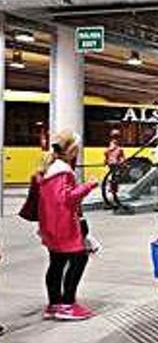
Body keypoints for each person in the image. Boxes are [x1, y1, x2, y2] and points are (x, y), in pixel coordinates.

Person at [37, 131, 98, 320]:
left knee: (57, 262)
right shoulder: (62, 170)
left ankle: (54, 304)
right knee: (79, 259)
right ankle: (67, 304)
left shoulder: (50, 168)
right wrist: (89, 185)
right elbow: (67, 198)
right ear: (71, 149)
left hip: (50, 224)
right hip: (63, 225)